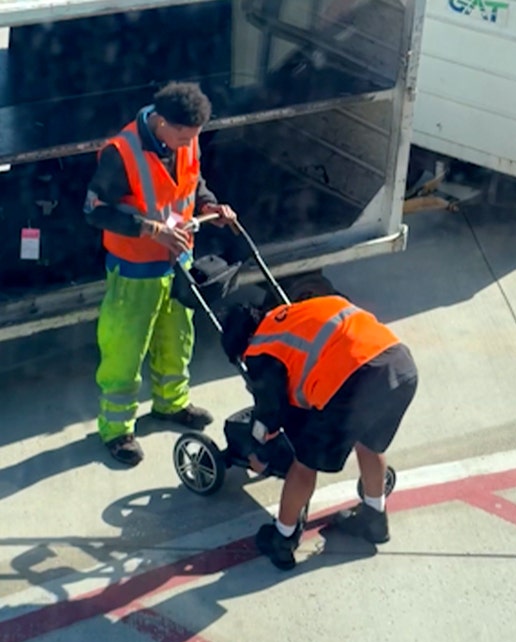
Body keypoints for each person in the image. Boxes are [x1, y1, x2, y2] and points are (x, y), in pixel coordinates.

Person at [84, 82, 238, 466]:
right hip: (135, 268)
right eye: (184, 137)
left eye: (194, 138)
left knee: (177, 337)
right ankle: (117, 430)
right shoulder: (122, 153)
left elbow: (192, 183)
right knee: (125, 348)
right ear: (162, 122)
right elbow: (95, 210)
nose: (189, 145)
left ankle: (171, 404)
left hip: (178, 260)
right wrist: (151, 230)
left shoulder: (186, 140)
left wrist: (211, 206)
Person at [220, 295, 419, 570]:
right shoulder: (293, 314)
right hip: (399, 364)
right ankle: (375, 519)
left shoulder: (259, 351)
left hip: (353, 383)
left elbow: (271, 414)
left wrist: (261, 452)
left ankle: (282, 537)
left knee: (303, 465)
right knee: (370, 445)